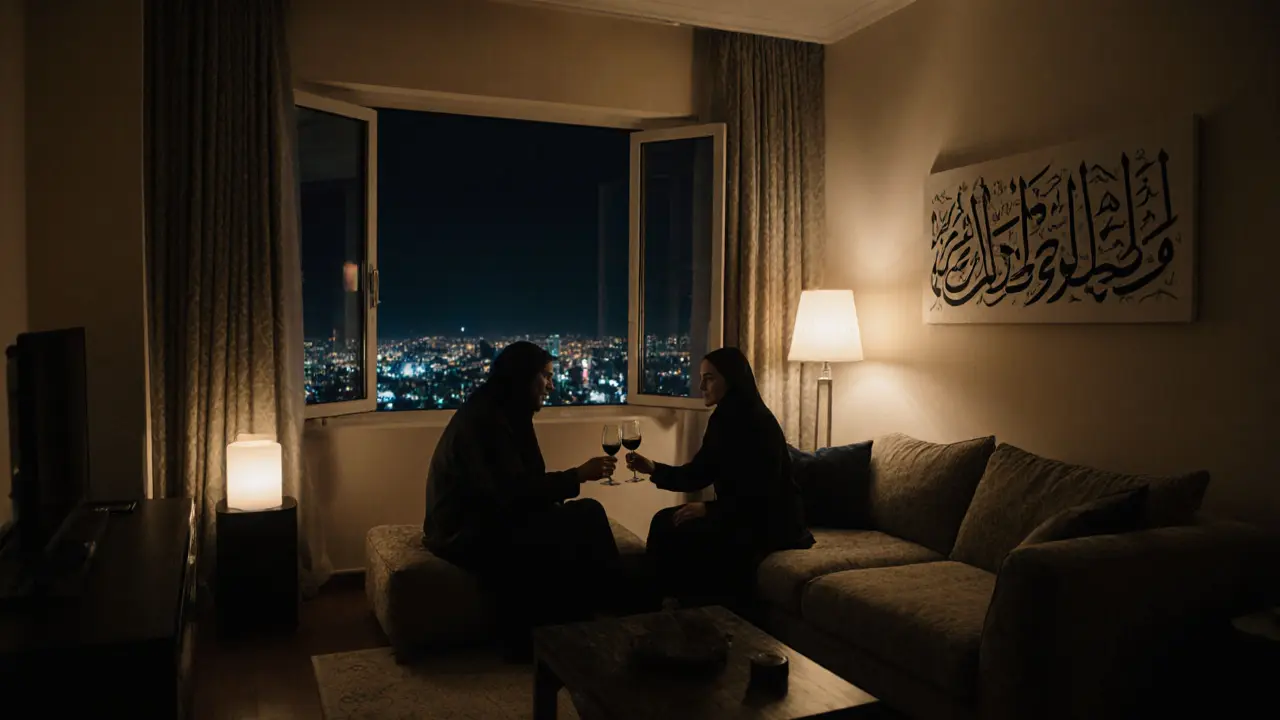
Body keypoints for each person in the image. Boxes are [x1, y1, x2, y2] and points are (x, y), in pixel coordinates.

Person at [423, 341, 620, 658]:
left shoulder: (500, 409)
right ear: (522, 376)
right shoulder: (488, 420)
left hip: (478, 518)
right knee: (587, 515)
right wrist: (576, 476)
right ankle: (612, 613)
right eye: (545, 376)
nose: (552, 386)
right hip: (464, 531)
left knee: (580, 518)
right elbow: (512, 492)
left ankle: (592, 618)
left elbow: (518, 485)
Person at [626, 347, 814, 613]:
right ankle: (662, 605)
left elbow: (762, 492)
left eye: (710, 378)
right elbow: (700, 472)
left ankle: (678, 608)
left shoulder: (756, 421)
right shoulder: (724, 417)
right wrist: (653, 469)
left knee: (680, 529)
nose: (701, 385)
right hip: (739, 512)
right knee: (665, 521)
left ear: (731, 378)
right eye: (702, 377)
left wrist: (710, 509)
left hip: (770, 519)